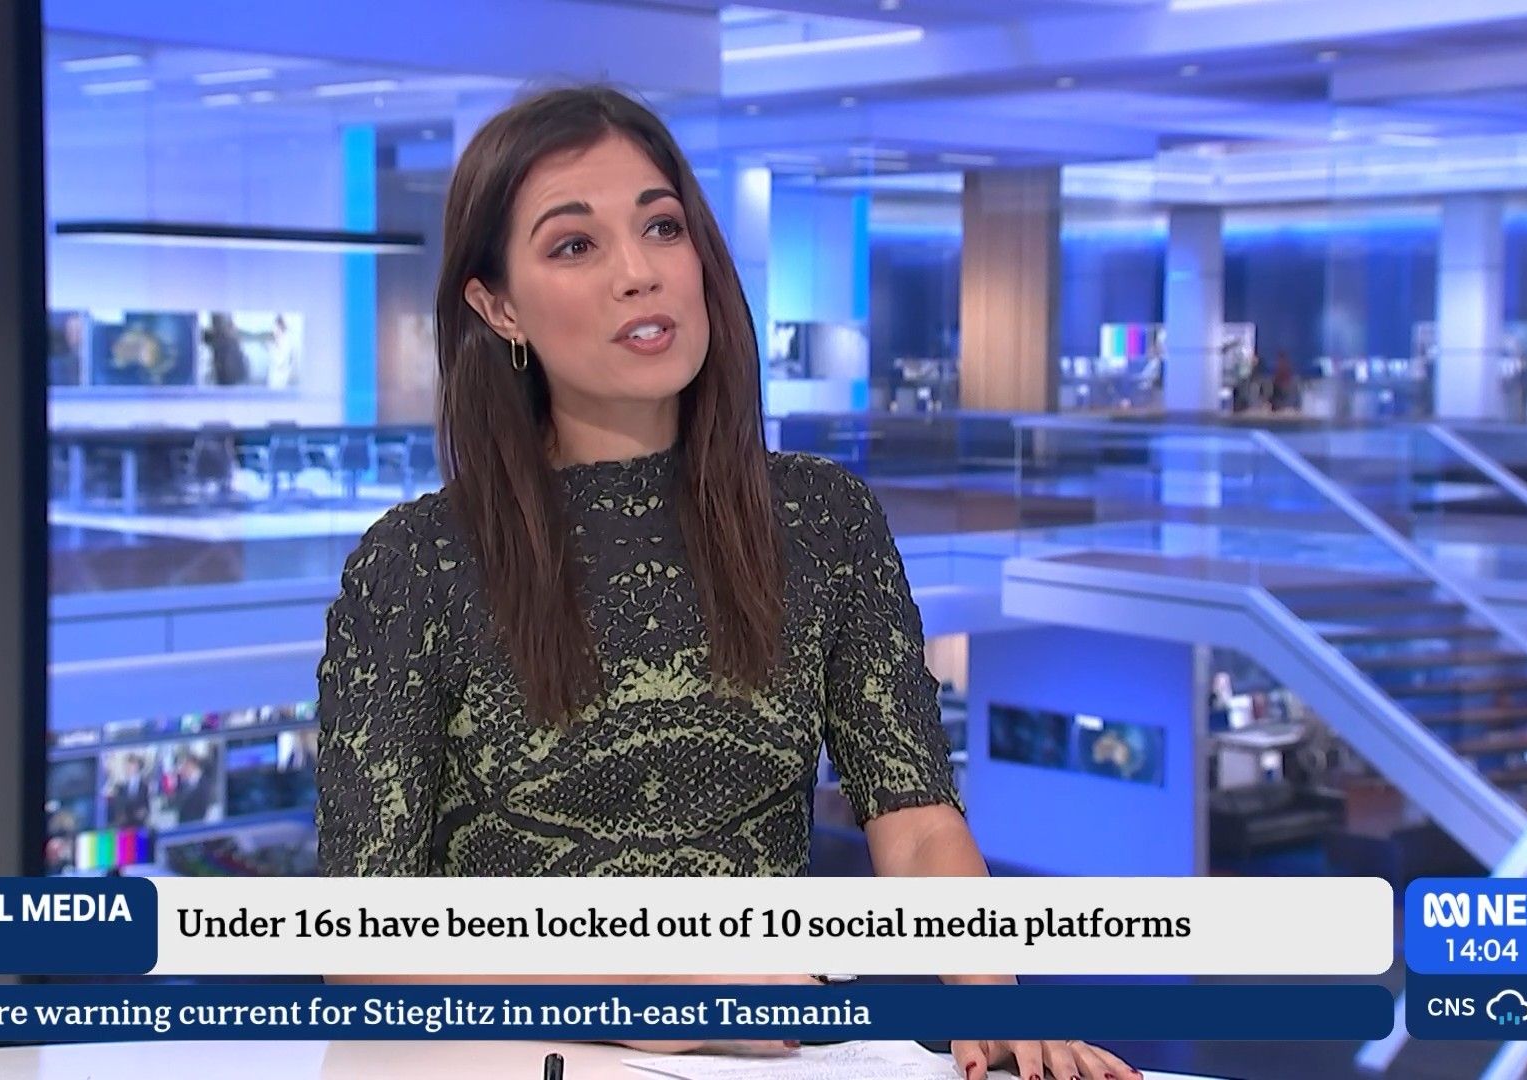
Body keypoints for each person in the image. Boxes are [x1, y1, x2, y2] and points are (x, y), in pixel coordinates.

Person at [314, 85, 1139, 1080]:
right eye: (575, 245)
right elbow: (361, 941)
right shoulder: (415, 564)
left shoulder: (822, 519)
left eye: (661, 226)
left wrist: (992, 999)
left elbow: (916, 819)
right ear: (498, 306)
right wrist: (641, 990)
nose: (638, 273)